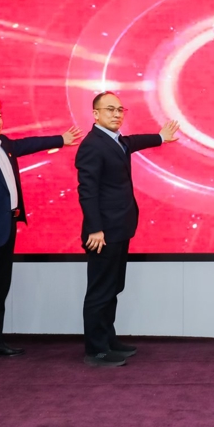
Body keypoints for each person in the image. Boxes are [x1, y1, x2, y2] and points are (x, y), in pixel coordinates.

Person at [0, 95, 81, 372]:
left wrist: (60, 139)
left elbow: (28, 144)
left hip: (6, 228)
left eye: (0, 116)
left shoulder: (4, 144)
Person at [76, 91, 180, 367]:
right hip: (103, 233)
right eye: (110, 109)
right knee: (100, 291)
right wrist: (95, 229)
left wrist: (160, 137)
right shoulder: (92, 145)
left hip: (119, 228)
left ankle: (108, 340)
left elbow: (132, 142)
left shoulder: (116, 140)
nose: (116, 114)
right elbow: (87, 190)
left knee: (113, 287)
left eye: (120, 110)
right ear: (96, 114)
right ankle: (96, 351)